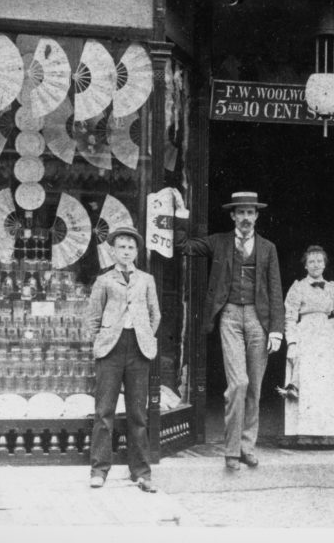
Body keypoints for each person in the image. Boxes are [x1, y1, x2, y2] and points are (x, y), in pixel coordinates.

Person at [172, 189, 284, 471]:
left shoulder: (268, 247)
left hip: (260, 320)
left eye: (250, 212)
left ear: (256, 216)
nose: (246, 218)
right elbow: (182, 245)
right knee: (239, 383)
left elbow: (275, 289)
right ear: (233, 215)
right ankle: (231, 449)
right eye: (241, 212)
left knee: (255, 388)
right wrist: (180, 213)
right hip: (230, 316)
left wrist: (277, 330)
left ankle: (247, 446)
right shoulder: (219, 243)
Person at [85, 225, 160, 492]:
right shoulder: (104, 281)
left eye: (131, 247)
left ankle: (141, 472)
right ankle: (99, 469)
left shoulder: (146, 280)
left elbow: (155, 314)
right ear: (113, 251)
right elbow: (92, 317)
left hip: (138, 348)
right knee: (104, 411)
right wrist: (100, 341)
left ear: (137, 252)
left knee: (138, 413)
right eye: (121, 247)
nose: (126, 252)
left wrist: (145, 335)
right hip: (111, 349)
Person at [279, 245, 334, 445]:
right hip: (305, 335)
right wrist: (291, 342)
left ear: (325, 264)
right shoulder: (298, 287)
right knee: (306, 381)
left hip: (326, 338)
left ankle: (327, 433)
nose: (316, 265)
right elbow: (290, 317)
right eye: (311, 261)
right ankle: (302, 433)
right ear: (305, 265)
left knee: (325, 382)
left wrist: (328, 323)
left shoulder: (332, 287)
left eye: (320, 261)